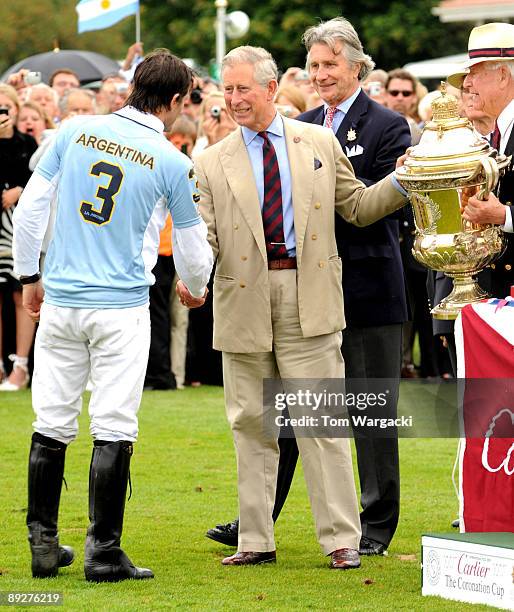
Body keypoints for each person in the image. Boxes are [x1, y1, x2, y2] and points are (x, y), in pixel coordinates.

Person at [187, 44, 408, 569]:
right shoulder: (209, 161)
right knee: (252, 425)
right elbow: (206, 237)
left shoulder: (318, 141)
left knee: (322, 424)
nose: (234, 100)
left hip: (308, 297)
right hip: (242, 300)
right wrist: (190, 278)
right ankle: (255, 540)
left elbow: (356, 208)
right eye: (227, 90)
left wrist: (405, 180)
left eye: (243, 89)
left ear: (269, 89)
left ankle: (340, 540)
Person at [12, 48, 213, 582]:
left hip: (62, 300)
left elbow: (32, 208)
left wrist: (30, 277)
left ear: (131, 85)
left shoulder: (75, 131)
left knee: (51, 421)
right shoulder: (171, 158)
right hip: (121, 306)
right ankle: (103, 551)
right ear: (173, 100)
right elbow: (193, 245)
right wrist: (196, 286)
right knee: (114, 425)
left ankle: (43, 543)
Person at [460, 22, 514, 296]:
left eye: (474, 73)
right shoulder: (500, 130)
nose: (467, 83)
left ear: (503, 75)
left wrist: (503, 215)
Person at [0, 84, 38, 390]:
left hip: (18, 225)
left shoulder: (27, 142)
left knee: (19, 291)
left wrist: (19, 191)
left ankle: (21, 366)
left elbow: (39, 178)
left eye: (6, 108)